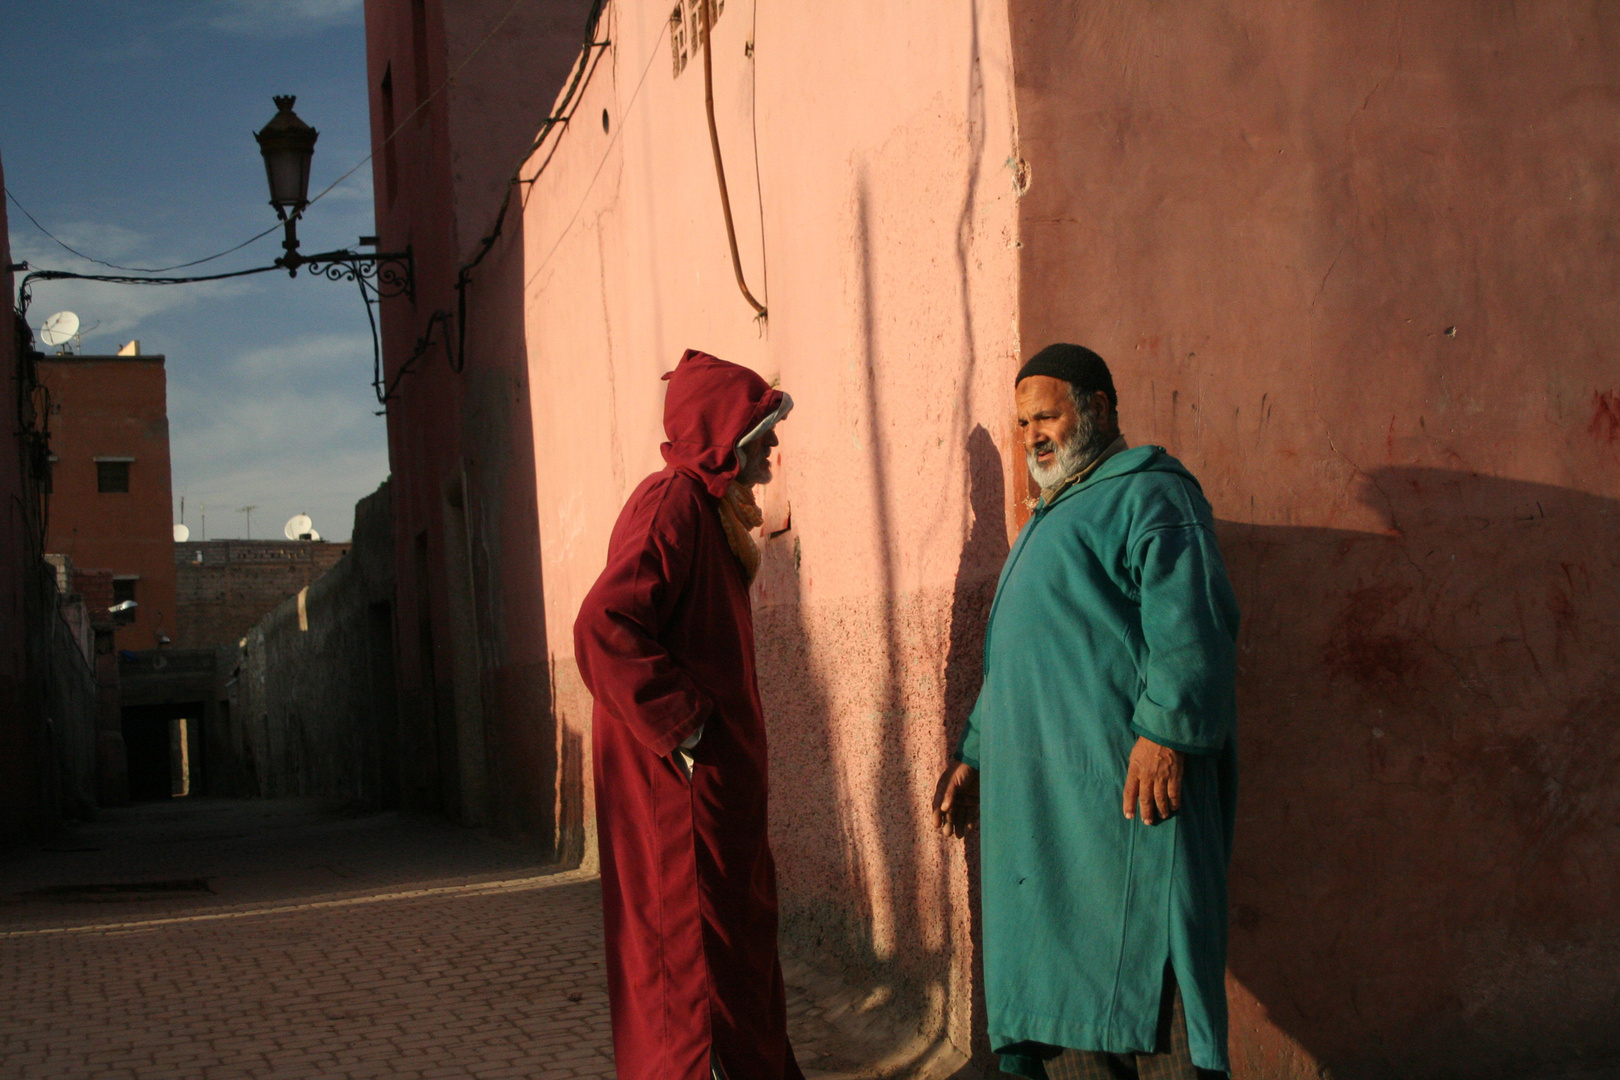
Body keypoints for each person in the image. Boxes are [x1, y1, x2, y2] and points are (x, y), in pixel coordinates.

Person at [933, 344, 1240, 1080]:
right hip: (1045, 803)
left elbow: (1192, 620)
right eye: (1021, 422)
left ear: (1098, 407)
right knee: (1057, 984)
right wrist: (976, 756)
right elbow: (1015, 662)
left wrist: (1165, 734)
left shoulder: (1153, 495)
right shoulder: (1051, 514)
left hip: (1126, 795)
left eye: (1047, 415)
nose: (1032, 434)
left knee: (1142, 969)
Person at [574, 349, 802, 1080]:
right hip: (682, 802)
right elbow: (603, 624)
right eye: (759, 433)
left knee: (738, 956)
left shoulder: (711, 513)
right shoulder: (670, 502)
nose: (771, 448)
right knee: (694, 973)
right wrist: (686, 726)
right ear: (723, 436)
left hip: (716, 794)